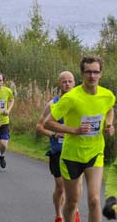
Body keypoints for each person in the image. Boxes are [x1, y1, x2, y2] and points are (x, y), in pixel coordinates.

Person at [45, 56, 115, 222]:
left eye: (95, 72)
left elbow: (110, 110)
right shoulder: (71, 98)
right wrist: (74, 130)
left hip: (95, 153)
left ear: (101, 74)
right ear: (82, 74)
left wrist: (109, 125)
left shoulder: (107, 95)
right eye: (88, 72)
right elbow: (48, 122)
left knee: (94, 200)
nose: (92, 76)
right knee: (71, 202)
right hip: (71, 156)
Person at [37, 71, 81, 222]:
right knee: (61, 187)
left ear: (75, 83)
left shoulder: (80, 103)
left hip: (76, 151)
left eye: (70, 81)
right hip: (58, 150)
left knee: (75, 187)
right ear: (59, 84)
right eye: (64, 81)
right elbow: (40, 126)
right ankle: (59, 215)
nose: (67, 84)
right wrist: (55, 135)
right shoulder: (52, 104)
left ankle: (73, 210)